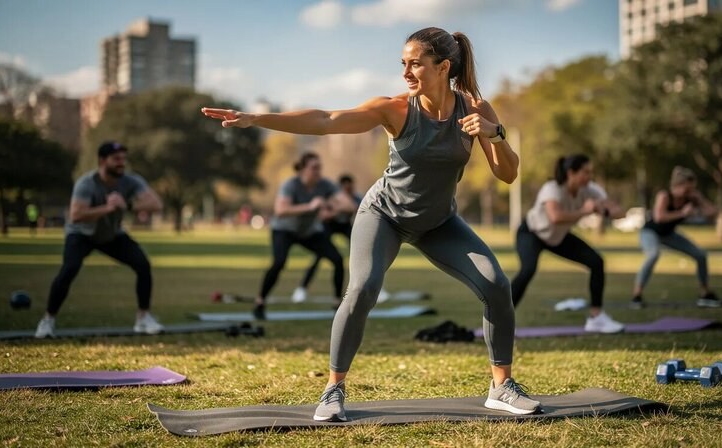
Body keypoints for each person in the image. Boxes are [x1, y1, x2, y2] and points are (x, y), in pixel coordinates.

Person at [203, 27, 540, 421]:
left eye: (415, 63)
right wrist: (255, 118)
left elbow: (508, 175)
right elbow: (327, 119)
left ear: (443, 66)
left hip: (438, 222)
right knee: (363, 288)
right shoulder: (396, 108)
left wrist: (495, 135)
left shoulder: (476, 109)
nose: (406, 72)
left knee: (497, 283)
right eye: (403, 63)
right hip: (384, 215)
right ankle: (332, 391)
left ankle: (501, 387)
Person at [35, 142, 164, 338]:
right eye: (116, 159)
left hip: (111, 235)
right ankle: (47, 321)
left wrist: (127, 205)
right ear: (102, 161)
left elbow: (155, 204)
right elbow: (76, 215)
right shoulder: (86, 183)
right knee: (69, 269)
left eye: (123, 159)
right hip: (81, 234)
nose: (121, 163)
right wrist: (108, 208)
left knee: (142, 264)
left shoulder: (130, 181)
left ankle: (143, 318)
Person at [511, 154, 626, 333]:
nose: (589, 177)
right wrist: (585, 211)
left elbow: (620, 212)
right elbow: (555, 217)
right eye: (585, 172)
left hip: (558, 238)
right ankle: (501, 318)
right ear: (571, 173)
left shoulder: (591, 190)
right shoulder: (553, 188)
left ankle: (596, 318)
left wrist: (601, 209)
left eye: (591, 172)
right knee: (527, 270)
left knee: (597, 262)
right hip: (531, 234)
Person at [253, 153, 356, 317]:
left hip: (309, 232)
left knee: (337, 260)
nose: (318, 172)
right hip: (284, 230)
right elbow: (280, 210)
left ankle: (338, 304)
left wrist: (331, 208)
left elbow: (350, 205)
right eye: (314, 168)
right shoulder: (291, 185)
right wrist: (310, 207)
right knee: (279, 262)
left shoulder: (325, 185)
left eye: (319, 168)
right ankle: (260, 302)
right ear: (302, 169)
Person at [631, 166, 720, 308]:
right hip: (650, 232)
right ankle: (636, 296)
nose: (689, 192)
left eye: (692, 189)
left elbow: (713, 212)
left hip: (669, 234)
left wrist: (700, 201)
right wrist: (682, 213)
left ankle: (705, 293)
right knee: (653, 255)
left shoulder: (691, 198)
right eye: (687, 189)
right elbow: (659, 217)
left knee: (701, 255)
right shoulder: (665, 196)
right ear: (677, 186)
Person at [292, 174, 363, 303]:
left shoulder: (356, 197)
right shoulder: (331, 197)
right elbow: (324, 216)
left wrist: (338, 210)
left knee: (361, 251)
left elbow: (356, 209)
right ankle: (302, 288)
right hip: (329, 226)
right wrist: (338, 211)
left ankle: (370, 287)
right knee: (319, 256)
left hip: (345, 226)